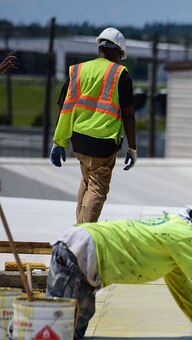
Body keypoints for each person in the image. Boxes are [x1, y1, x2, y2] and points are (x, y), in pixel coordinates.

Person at [46, 195, 192, 340]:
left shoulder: (174, 230)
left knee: (67, 328)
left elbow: (182, 289)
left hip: (79, 247)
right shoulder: (183, 237)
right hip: (80, 250)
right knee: (59, 331)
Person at [50, 27, 138, 224]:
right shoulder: (120, 73)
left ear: (100, 48)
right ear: (118, 51)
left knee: (87, 180)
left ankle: (78, 228)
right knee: (98, 186)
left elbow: (64, 107)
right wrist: (132, 148)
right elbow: (128, 114)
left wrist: (59, 142)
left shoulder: (78, 70)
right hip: (103, 143)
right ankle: (83, 232)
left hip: (79, 139)